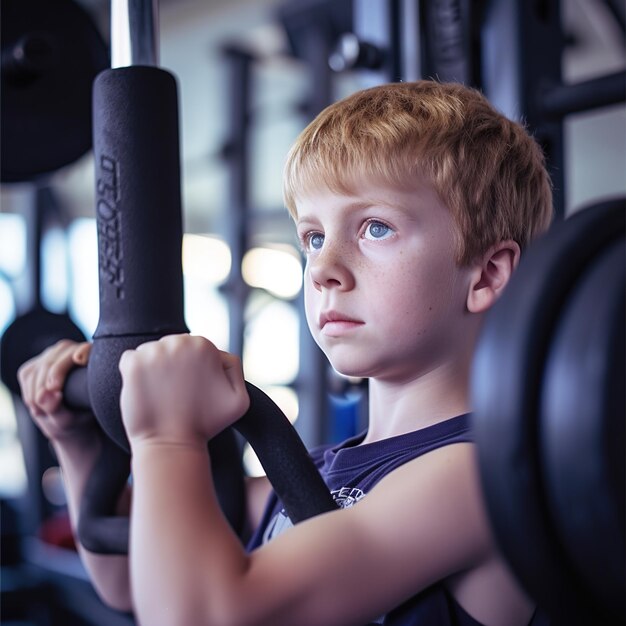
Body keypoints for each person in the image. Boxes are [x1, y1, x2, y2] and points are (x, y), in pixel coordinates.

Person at [18, 79, 553, 626]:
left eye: (375, 227)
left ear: (486, 275)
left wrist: (167, 438)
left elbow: (197, 615)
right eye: (314, 238)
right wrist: (80, 444)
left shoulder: (474, 477)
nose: (322, 269)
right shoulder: (318, 470)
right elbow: (132, 581)